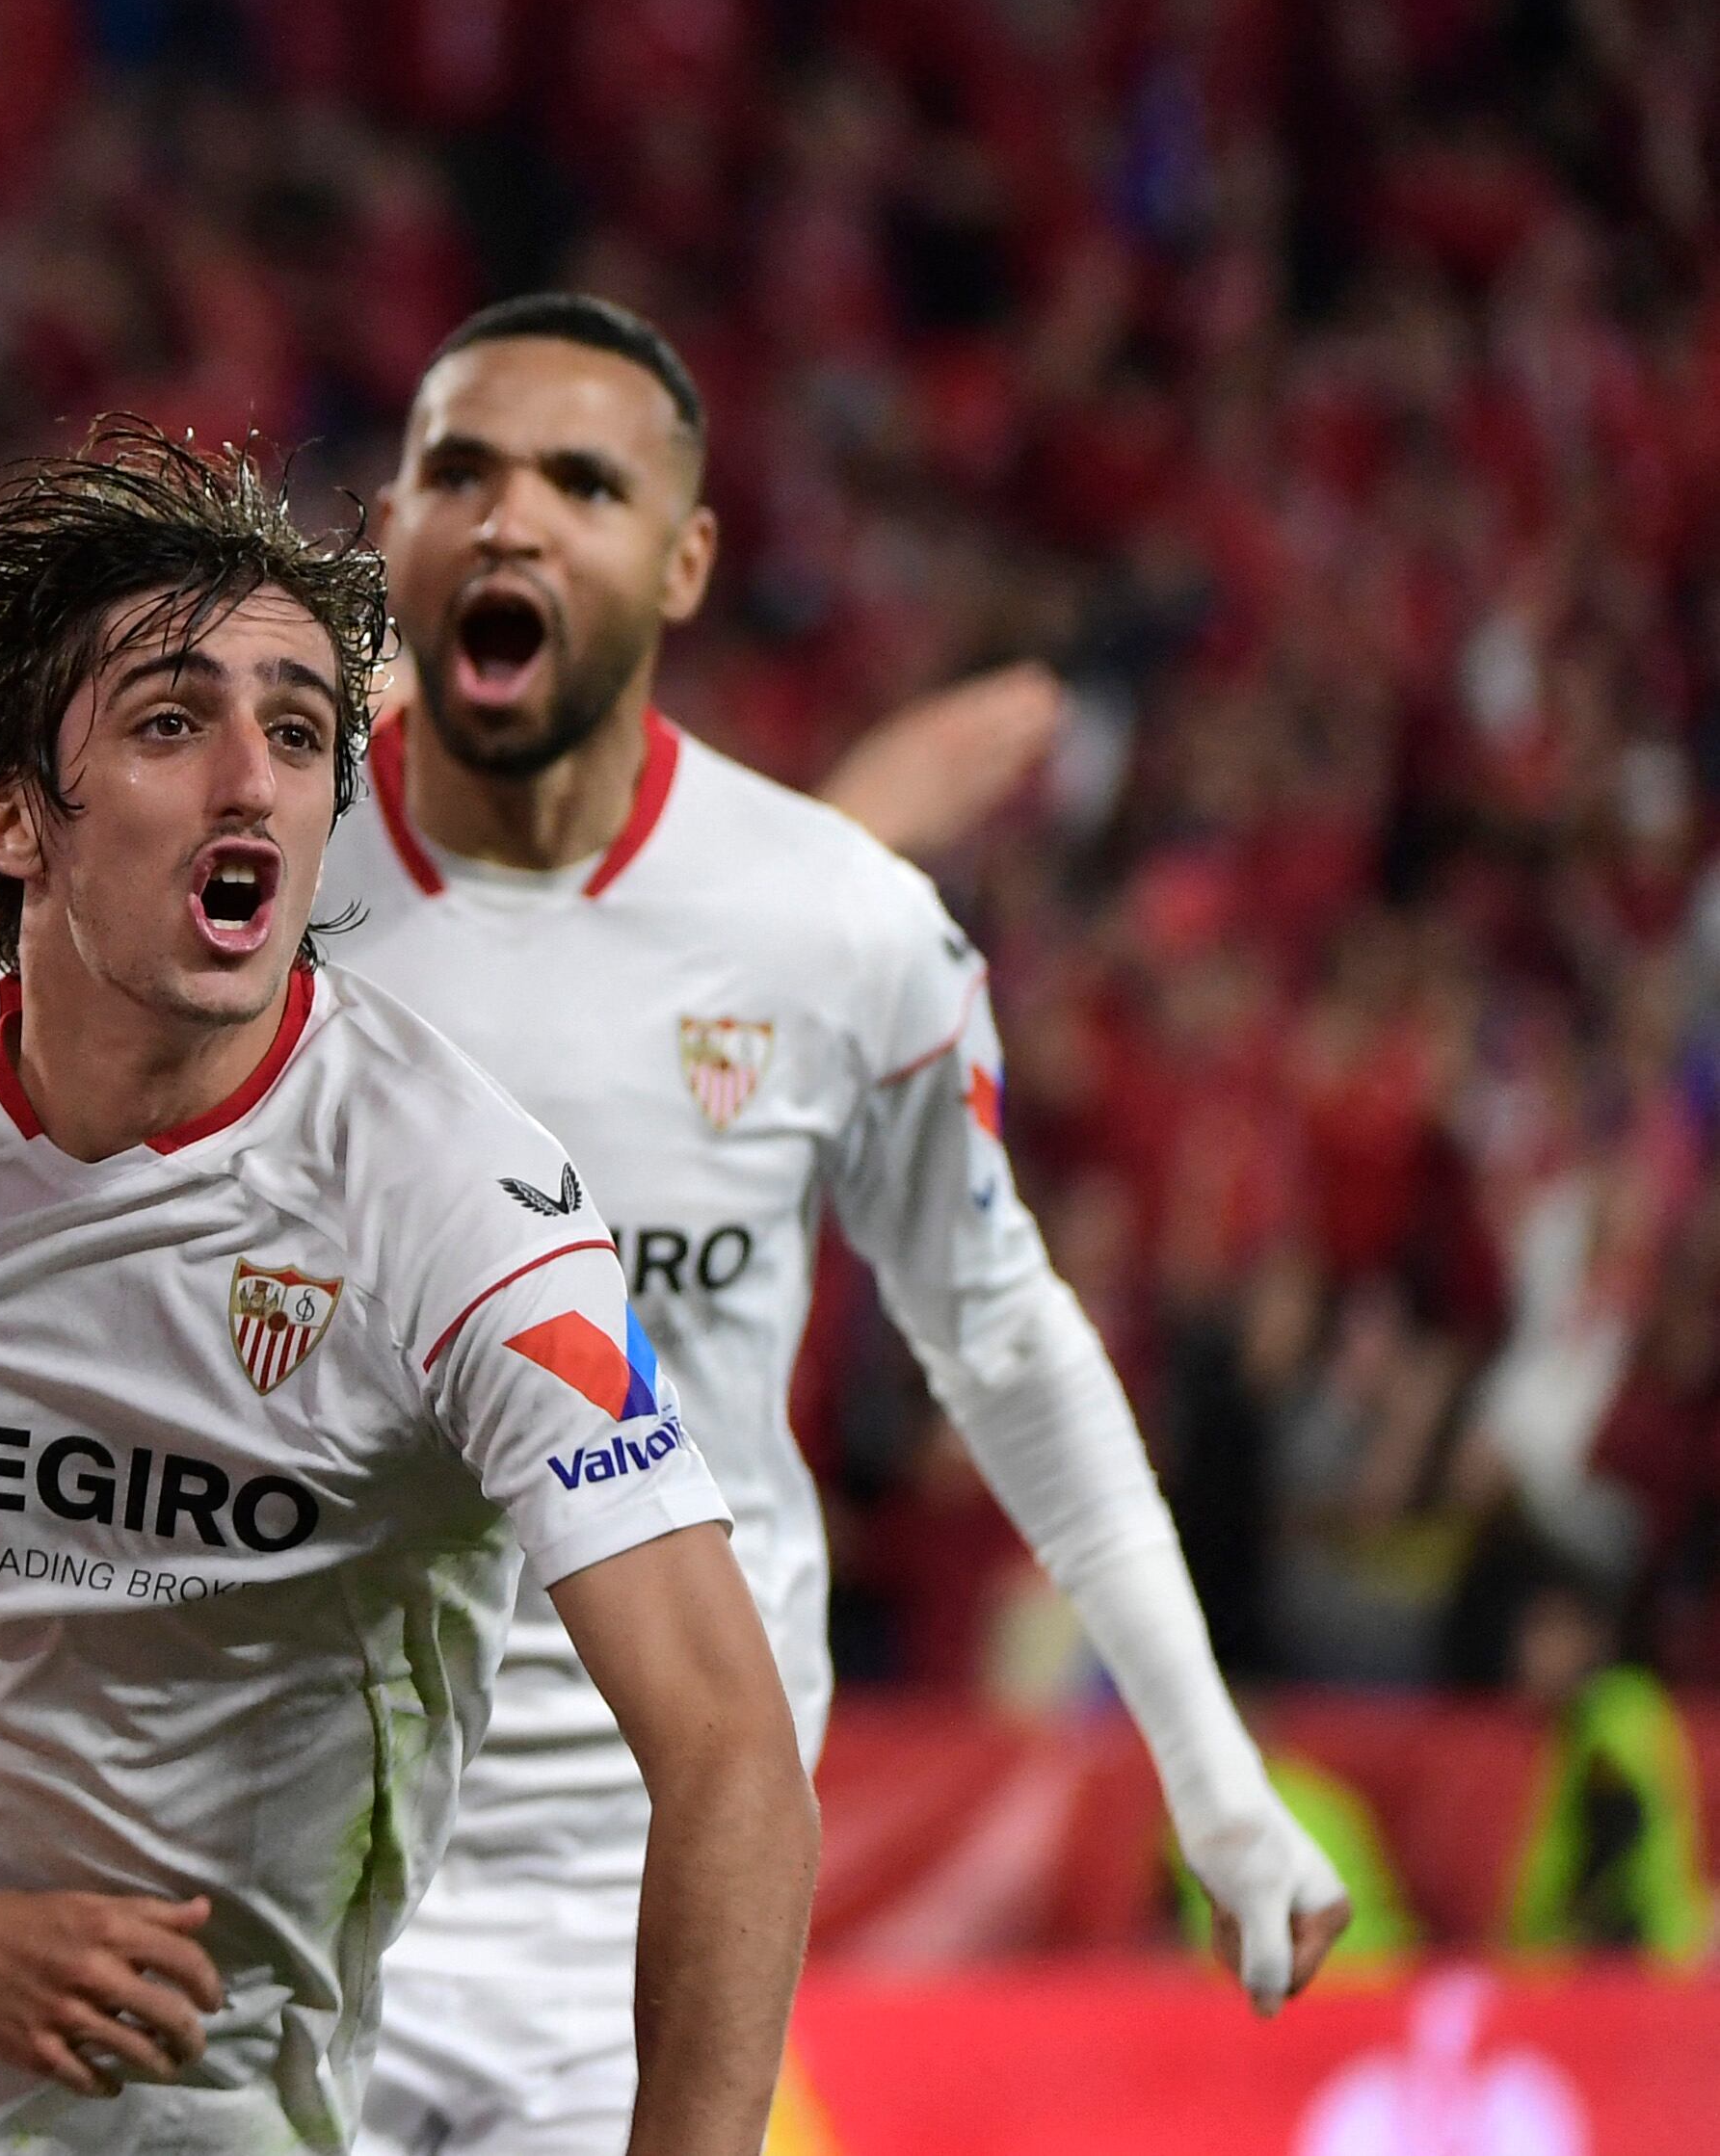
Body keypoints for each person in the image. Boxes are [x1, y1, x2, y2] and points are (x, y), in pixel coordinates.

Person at [0, 433, 818, 2156]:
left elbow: (733, 1760)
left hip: (189, 2101)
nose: (251, 780)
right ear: (15, 816)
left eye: (298, 732)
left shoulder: (460, 1209)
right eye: (172, 720)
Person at [341, 294, 1351, 2156]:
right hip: (274, 1857)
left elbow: (1009, 1344)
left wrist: (1212, 1779)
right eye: (459, 473)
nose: (513, 520)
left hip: (645, 1893)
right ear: (383, 526)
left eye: (582, 480)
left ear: (685, 556)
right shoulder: (234, 882)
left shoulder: (836, 929)